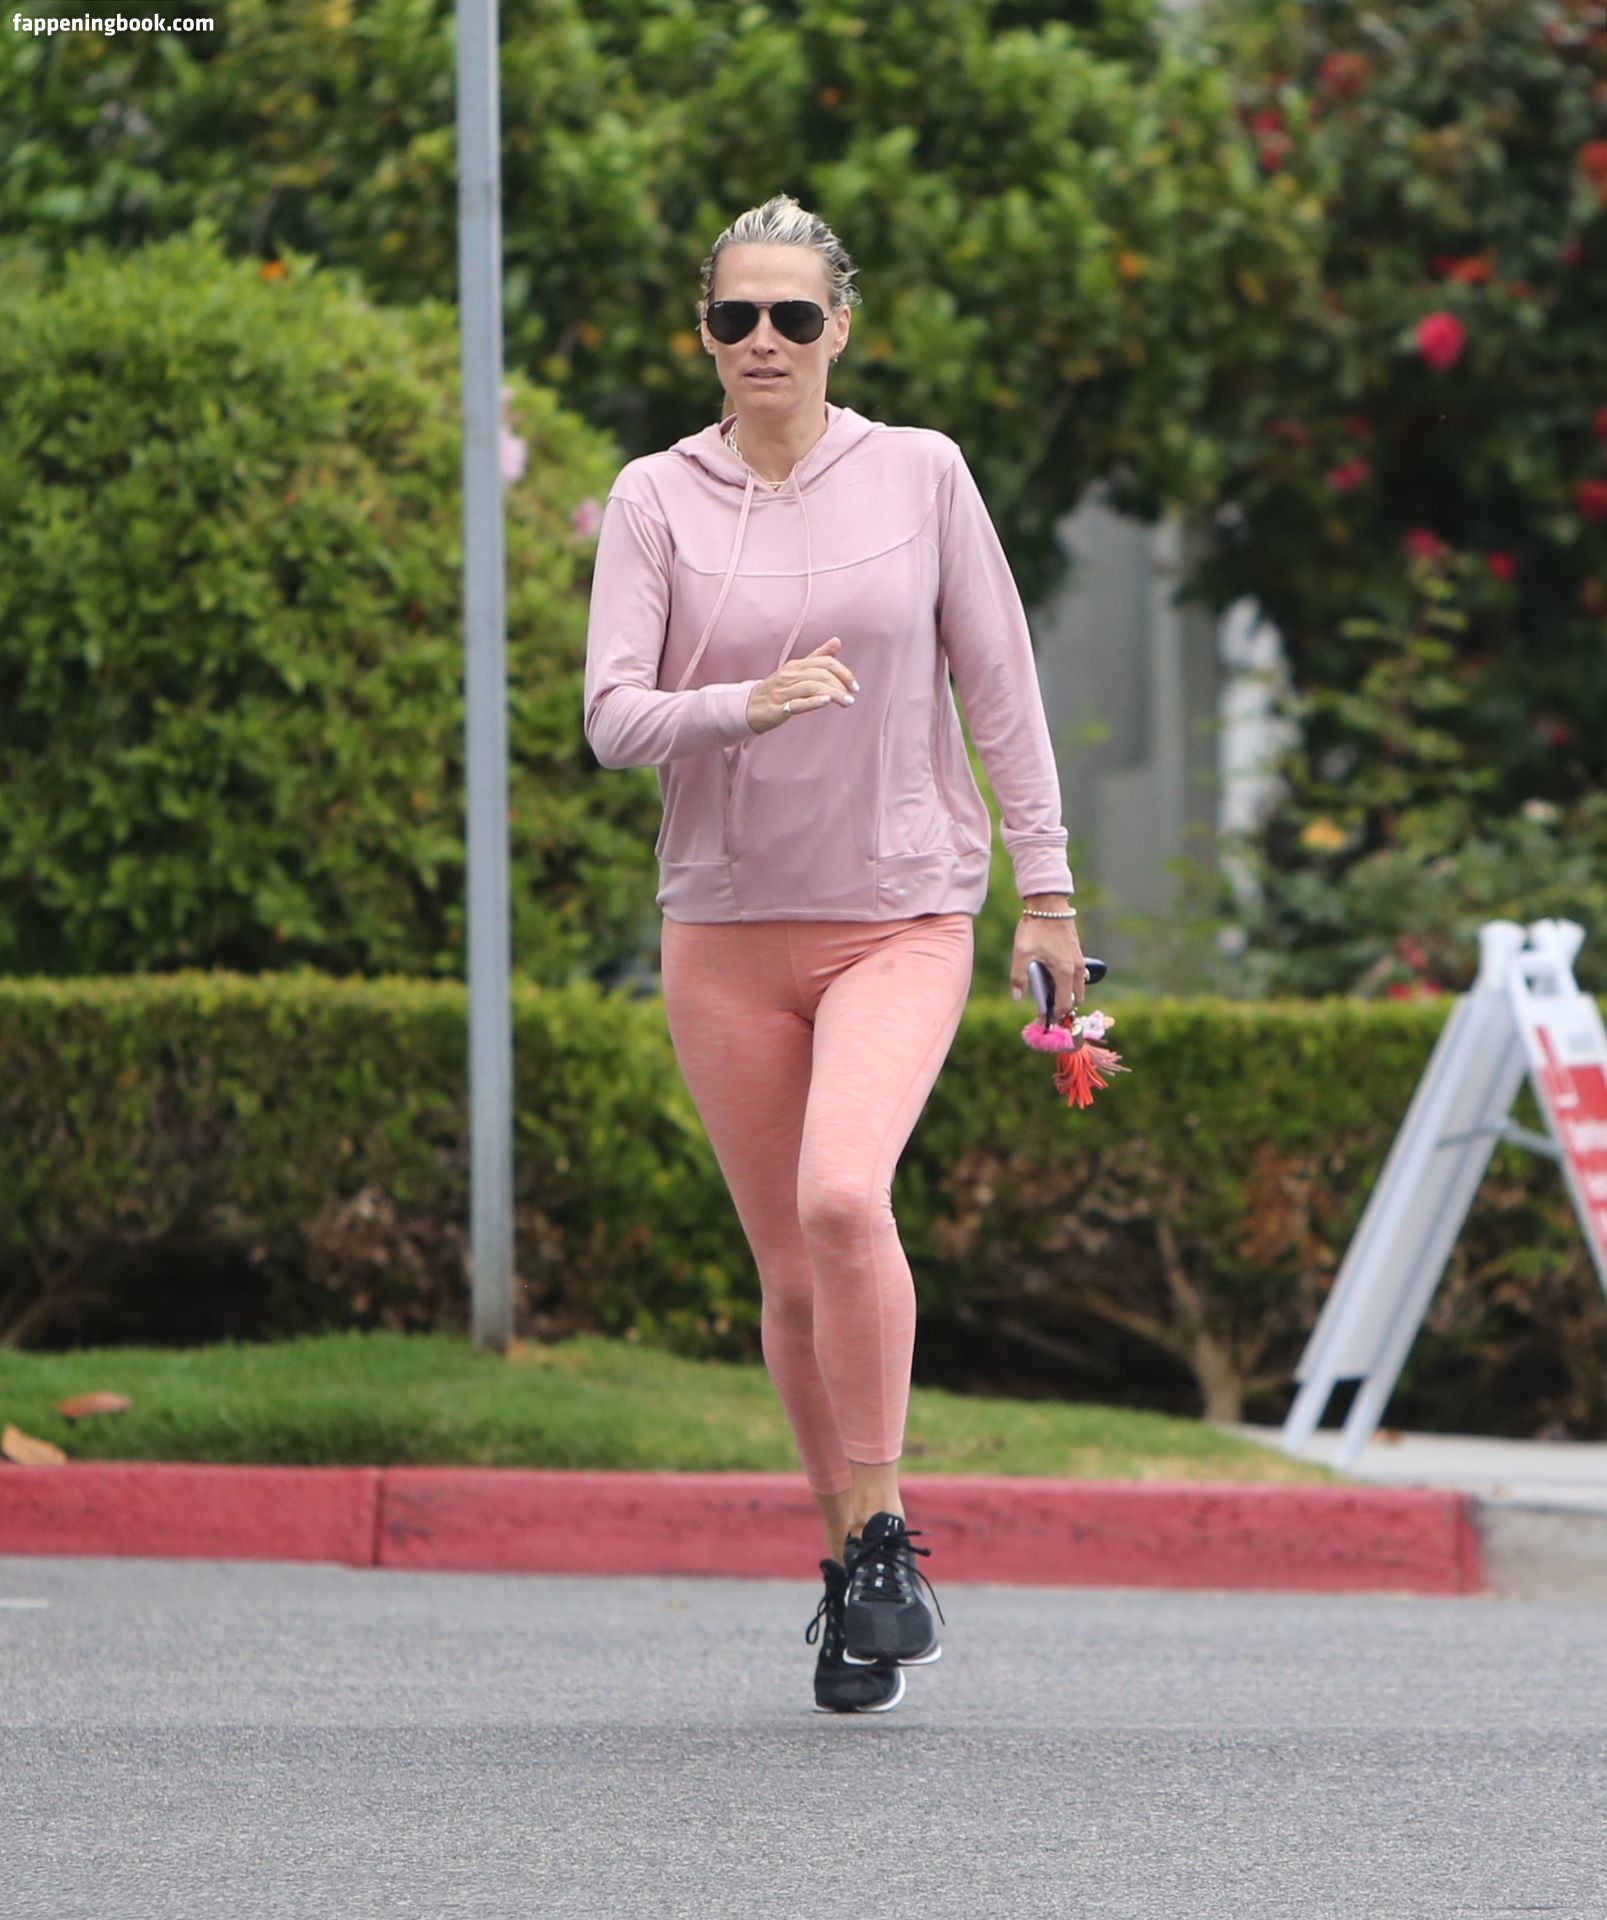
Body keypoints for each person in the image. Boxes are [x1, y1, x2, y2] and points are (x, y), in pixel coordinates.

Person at [582, 192, 1087, 1713]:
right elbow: (611, 721)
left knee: (842, 1198)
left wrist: (1049, 893)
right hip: (723, 933)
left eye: (792, 316)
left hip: (900, 914)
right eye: (735, 316)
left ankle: (882, 1535)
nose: (764, 340)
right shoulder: (653, 498)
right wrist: (746, 704)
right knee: (791, 1276)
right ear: (705, 334)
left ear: (838, 330)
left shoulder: (923, 474)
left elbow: (1000, 685)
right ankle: (853, 1569)